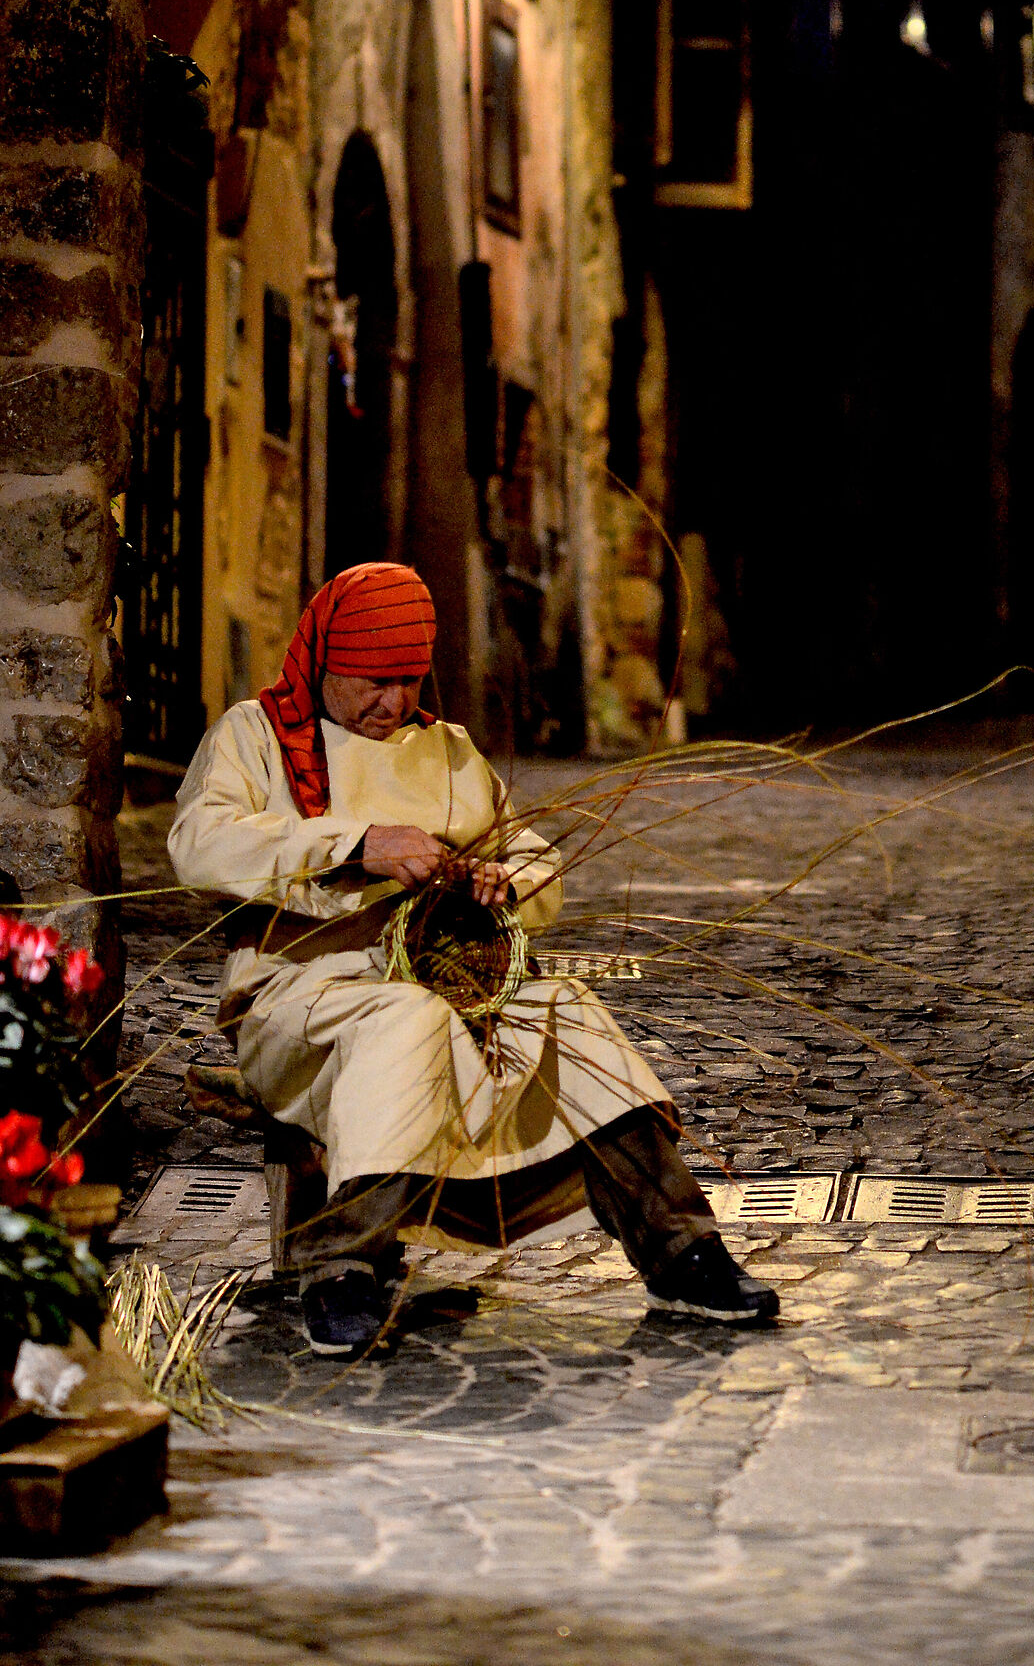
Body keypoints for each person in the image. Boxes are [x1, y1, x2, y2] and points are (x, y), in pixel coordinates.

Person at [167, 560, 777, 1353]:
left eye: (408, 680)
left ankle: (680, 1248)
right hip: (299, 996)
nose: (391, 704)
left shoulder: (448, 752)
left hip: (455, 989)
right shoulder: (254, 736)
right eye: (371, 682)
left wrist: (502, 880)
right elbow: (198, 845)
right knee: (403, 1020)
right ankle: (341, 1265)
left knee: (569, 1013)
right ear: (322, 658)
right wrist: (356, 844)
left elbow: (536, 861)